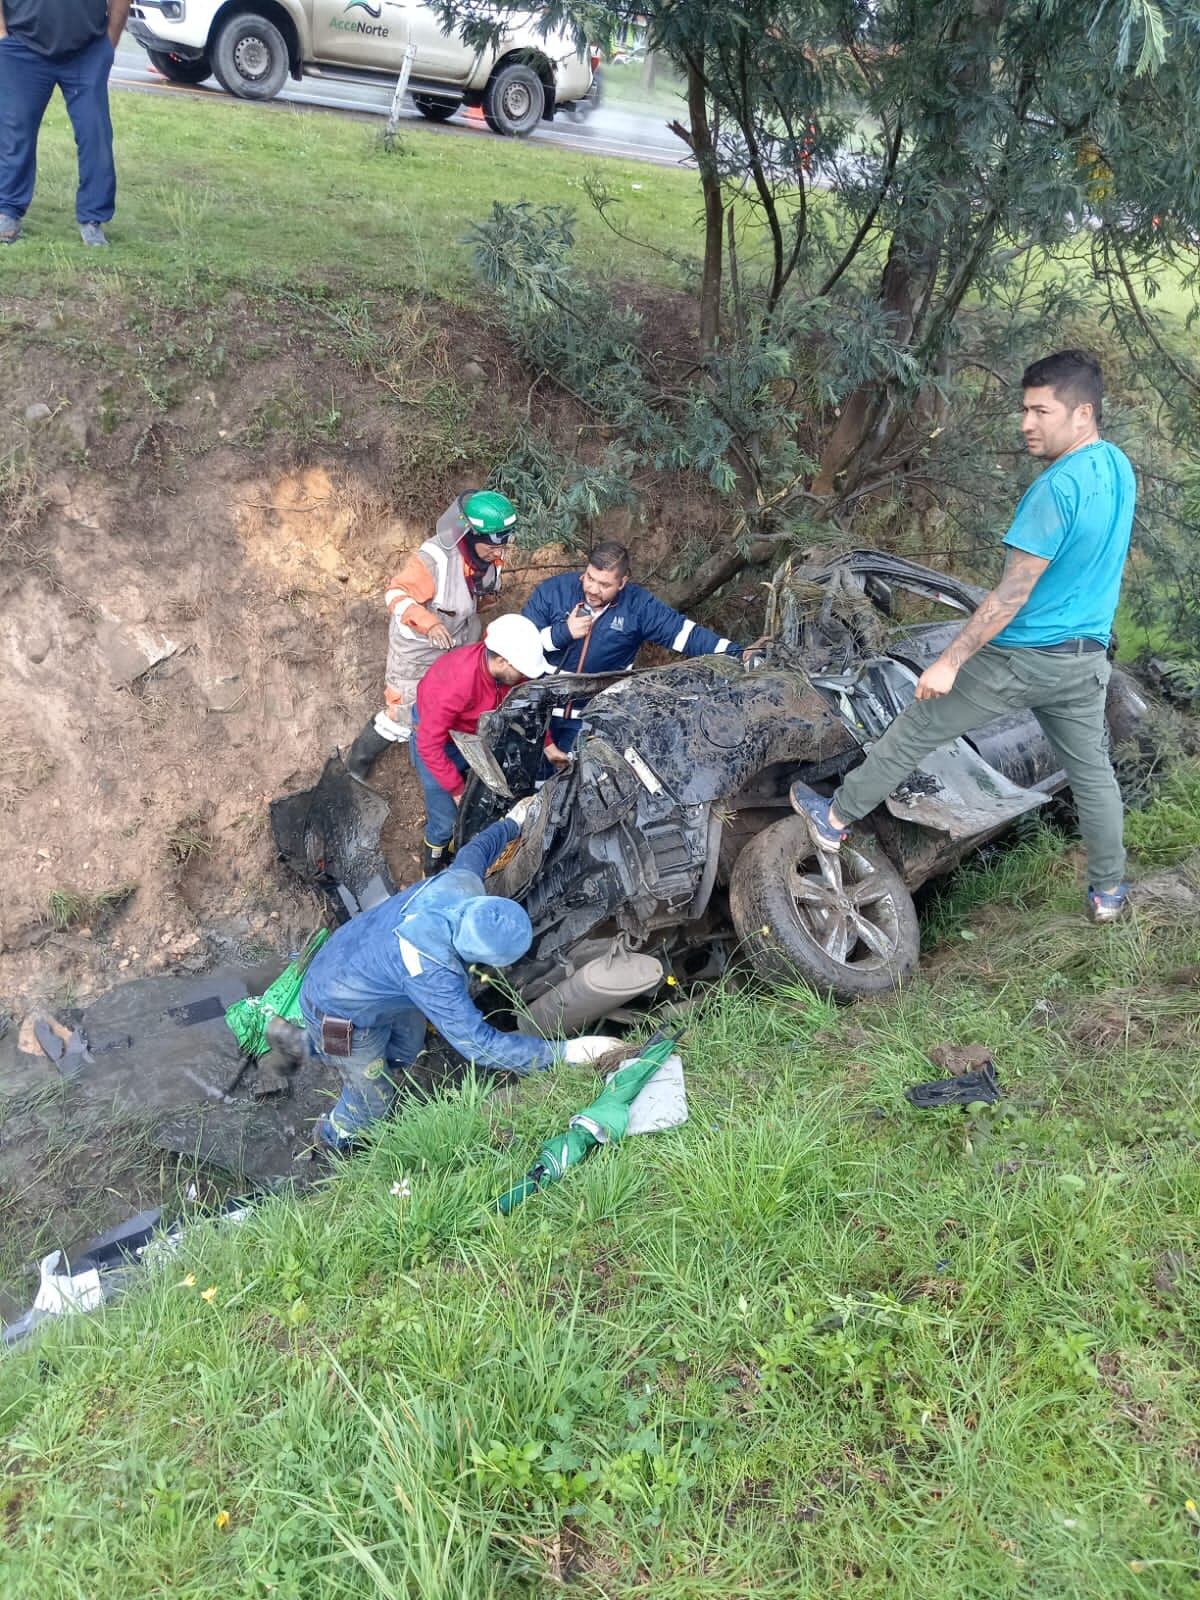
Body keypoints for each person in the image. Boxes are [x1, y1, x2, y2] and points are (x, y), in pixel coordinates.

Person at [790, 349, 1136, 924]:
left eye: (1041, 411)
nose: (1026, 424)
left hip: (1024, 657)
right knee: (1093, 777)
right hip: (1085, 659)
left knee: (919, 724)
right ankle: (1107, 895)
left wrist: (950, 660)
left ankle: (834, 820)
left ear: (1082, 414)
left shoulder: (1056, 491)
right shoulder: (1116, 467)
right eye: (1024, 410)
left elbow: (1009, 596)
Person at [278, 811, 602, 1152]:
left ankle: (371, 1061)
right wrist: (564, 1053)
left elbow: (475, 853)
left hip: (357, 961)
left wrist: (513, 823)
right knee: (372, 1095)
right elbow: (480, 1046)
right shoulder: (432, 971)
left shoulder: (460, 889)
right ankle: (334, 1136)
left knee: (406, 1047)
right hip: (336, 1010)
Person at [344, 489, 518, 781]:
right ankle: (356, 766)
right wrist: (429, 624)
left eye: (503, 545)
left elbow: (478, 595)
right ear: (473, 535)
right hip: (418, 651)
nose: (499, 554)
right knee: (403, 715)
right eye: (493, 547)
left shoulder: (488, 560)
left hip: (458, 645)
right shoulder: (434, 559)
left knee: (453, 702)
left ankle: (437, 751)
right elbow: (396, 594)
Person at [522, 540, 744, 760]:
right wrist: (563, 632)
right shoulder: (554, 591)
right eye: (590, 578)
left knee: (571, 784)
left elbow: (686, 635)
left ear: (622, 582)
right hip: (539, 710)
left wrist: (738, 655)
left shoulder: (638, 606)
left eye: (604, 585)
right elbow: (519, 644)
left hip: (591, 717)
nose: (592, 589)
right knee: (528, 778)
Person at [412, 612, 550, 876]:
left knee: (479, 797)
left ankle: (458, 850)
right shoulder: (456, 683)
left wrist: (549, 745)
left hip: (472, 733)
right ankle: (433, 867)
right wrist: (456, 790)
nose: (524, 676)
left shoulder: (508, 674)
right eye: (520, 670)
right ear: (501, 660)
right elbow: (429, 745)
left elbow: (528, 706)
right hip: (436, 740)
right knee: (447, 818)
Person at [0, 0, 128, 247]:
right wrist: (2, 34)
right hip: (21, 47)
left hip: (87, 52)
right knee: (15, 131)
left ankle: (93, 219)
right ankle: (7, 211)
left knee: (95, 133)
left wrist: (107, 45)